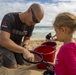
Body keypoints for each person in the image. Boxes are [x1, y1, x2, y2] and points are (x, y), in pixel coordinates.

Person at [0, 3, 44, 68]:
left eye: (37, 22)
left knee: (22, 63)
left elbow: (27, 38)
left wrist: (25, 45)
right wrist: (24, 50)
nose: (34, 23)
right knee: (13, 66)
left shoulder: (31, 24)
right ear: (29, 10)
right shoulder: (9, 17)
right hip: (5, 46)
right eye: (34, 19)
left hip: (18, 46)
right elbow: (3, 40)